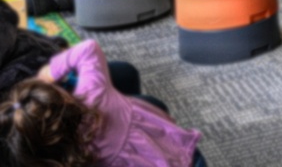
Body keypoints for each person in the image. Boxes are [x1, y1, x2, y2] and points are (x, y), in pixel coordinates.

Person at [0, 40, 206, 167]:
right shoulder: (94, 92)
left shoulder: (66, 158)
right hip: (179, 152)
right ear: (62, 97)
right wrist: (51, 72)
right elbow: (89, 48)